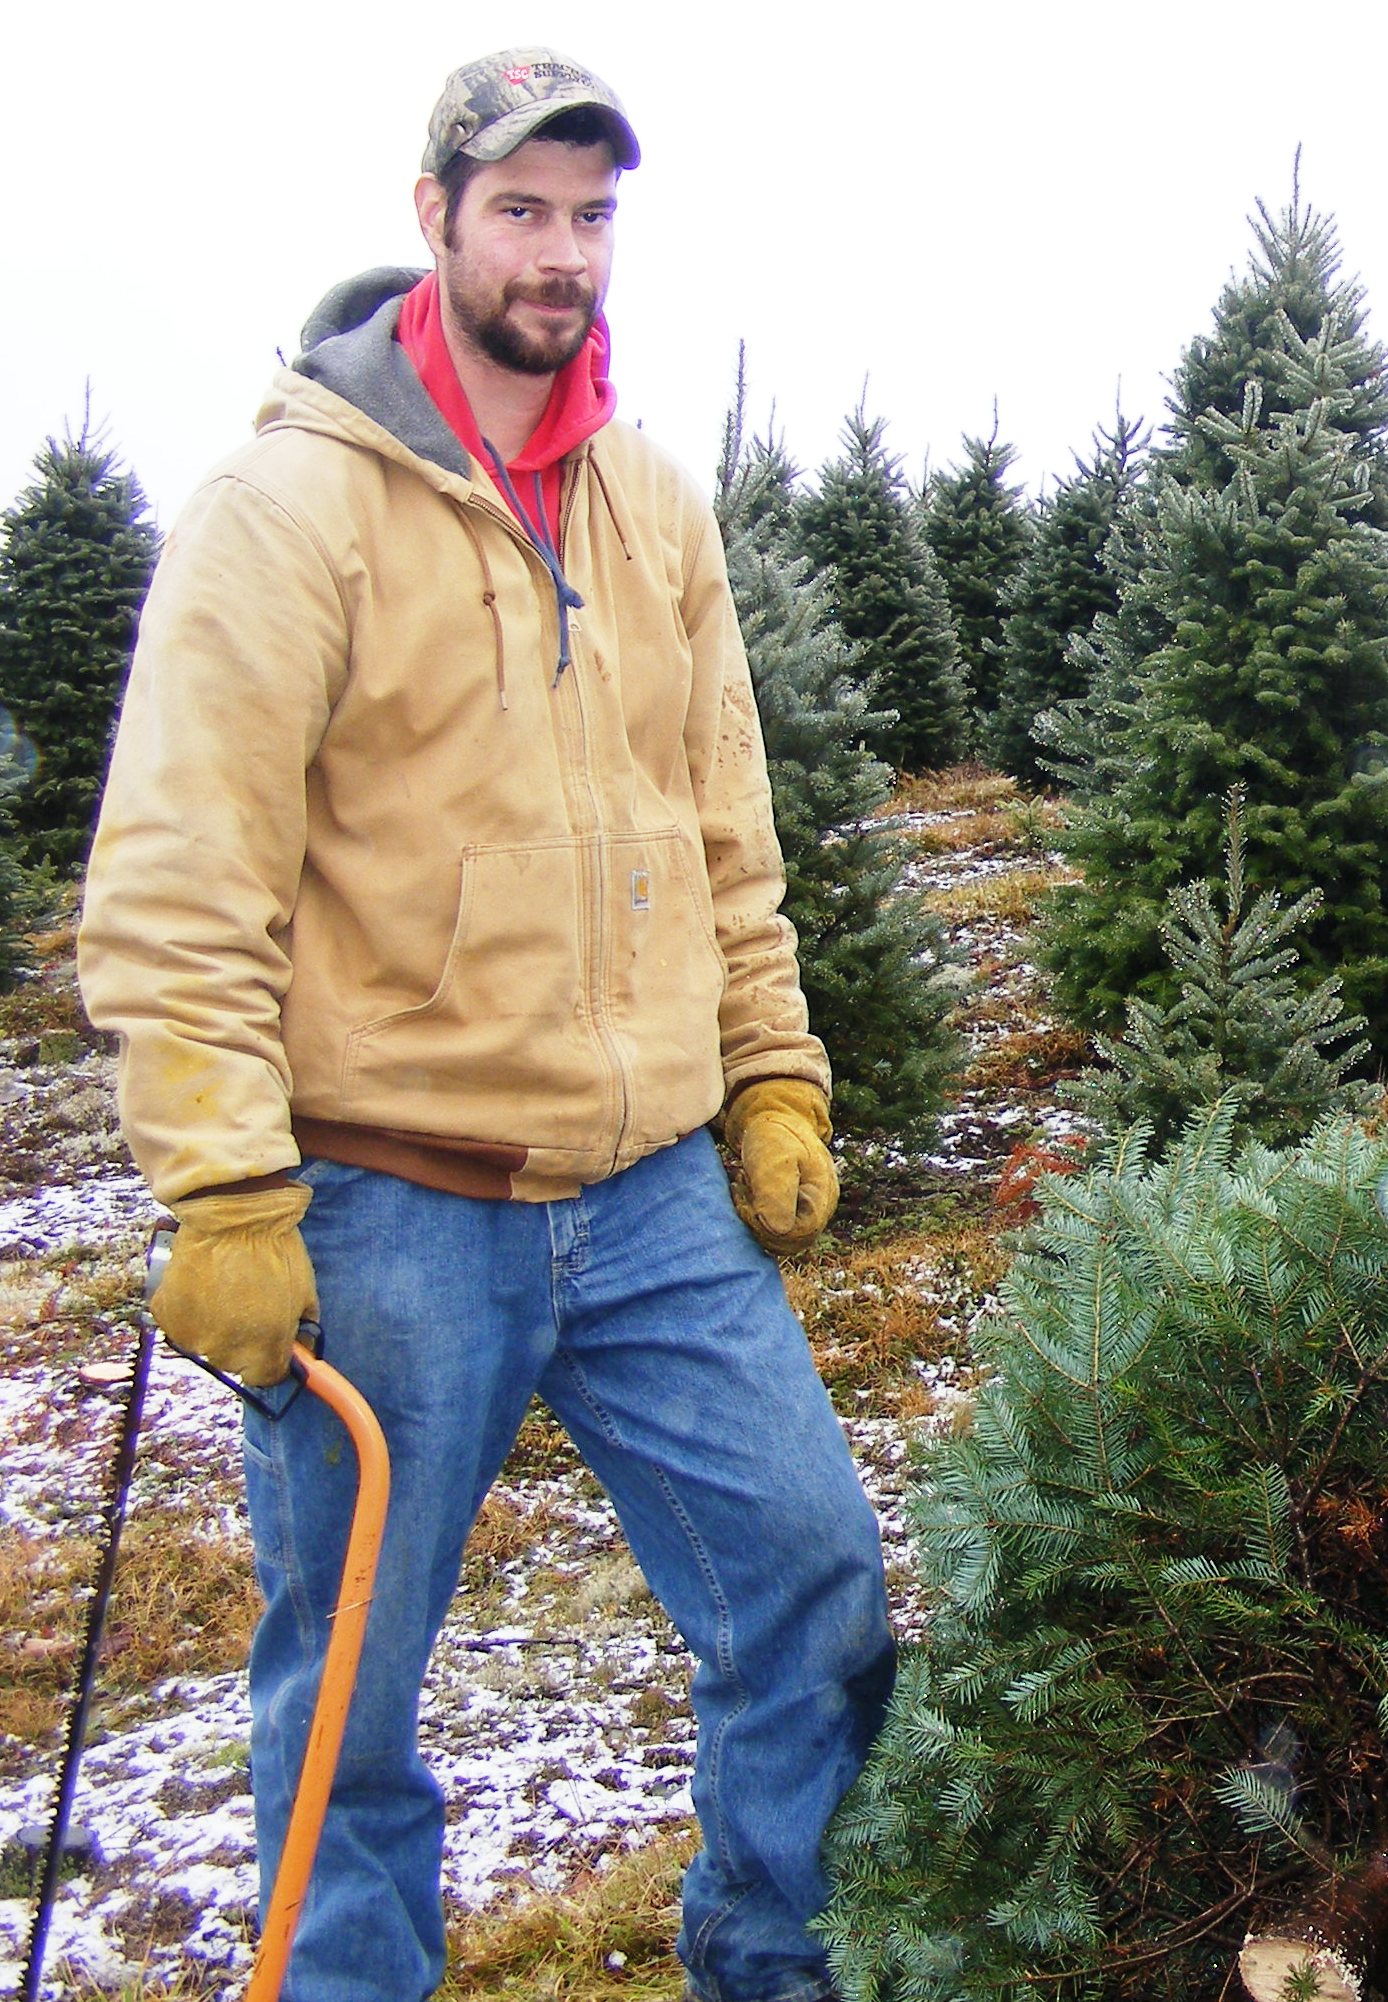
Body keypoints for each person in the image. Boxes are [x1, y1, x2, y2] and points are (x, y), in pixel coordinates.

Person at [77, 50, 893, 2002]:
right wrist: (220, 1185)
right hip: (388, 1200)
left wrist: (772, 1069)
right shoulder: (288, 510)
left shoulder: (653, 511)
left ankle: (775, 1964)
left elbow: (729, 832)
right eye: (519, 207)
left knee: (815, 1590)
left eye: (590, 212)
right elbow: (180, 880)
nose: (559, 250)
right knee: (348, 1700)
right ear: (434, 215)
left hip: (650, 1204)